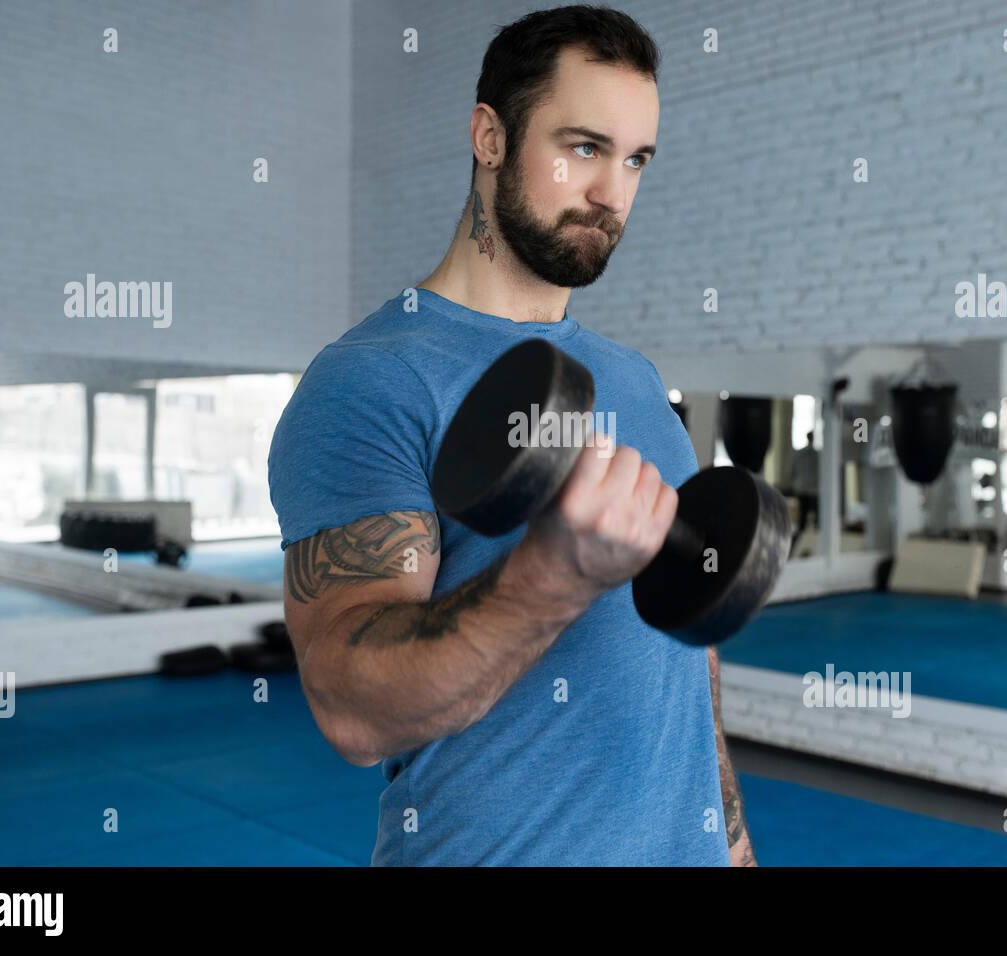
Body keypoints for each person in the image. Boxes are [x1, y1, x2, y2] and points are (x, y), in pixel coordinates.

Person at [268, 7, 752, 867]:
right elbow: (353, 711)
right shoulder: (370, 381)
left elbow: (686, 665)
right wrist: (553, 577)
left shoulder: (635, 380)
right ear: (489, 136)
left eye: (636, 159)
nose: (612, 193)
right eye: (583, 147)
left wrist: (734, 847)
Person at [787, 430, 820, 537]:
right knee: (816, 519)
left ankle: (802, 538)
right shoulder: (818, 455)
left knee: (803, 518)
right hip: (814, 490)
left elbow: (790, 472)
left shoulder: (798, 454)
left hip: (802, 488)